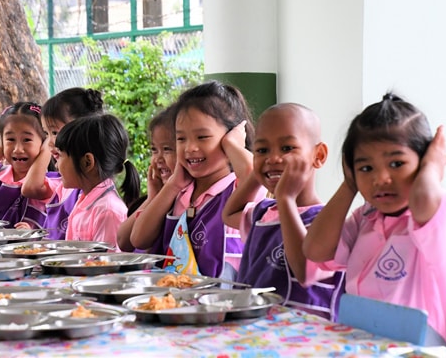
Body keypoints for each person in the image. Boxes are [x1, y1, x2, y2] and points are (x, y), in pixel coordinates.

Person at [303, 93, 446, 345]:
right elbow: (315, 250)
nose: (380, 178)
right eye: (366, 168)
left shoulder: (442, 212)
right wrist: (349, 185)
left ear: (423, 163)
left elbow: (423, 200)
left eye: (397, 163)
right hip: (360, 343)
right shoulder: (366, 217)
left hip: (417, 349)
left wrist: (433, 166)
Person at [222, 103, 345, 321]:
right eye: (262, 150)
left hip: (304, 336)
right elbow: (230, 213)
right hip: (255, 329)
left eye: (287, 148)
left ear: (319, 155)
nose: (274, 158)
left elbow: (306, 271)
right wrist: (258, 171)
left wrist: (286, 198)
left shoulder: (325, 222)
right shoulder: (263, 214)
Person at [130, 80, 261, 280]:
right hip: (175, 300)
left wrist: (233, 145)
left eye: (202, 137)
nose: (190, 147)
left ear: (230, 138)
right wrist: (173, 186)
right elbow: (138, 238)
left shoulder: (237, 187)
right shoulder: (180, 191)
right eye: (181, 139)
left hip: (222, 303)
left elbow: (256, 174)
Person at [16, 87, 104, 239]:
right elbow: (30, 188)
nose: (49, 142)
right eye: (46, 133)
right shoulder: (66, 184)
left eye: (55, 132)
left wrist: (48, 147)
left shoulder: (98, 196)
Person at [55, 114, 140, 248]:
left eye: (59, 156)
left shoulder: (107, 211)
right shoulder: (86, 200)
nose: (56, 165)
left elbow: (107, 266)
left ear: (87, 162)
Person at [118, 105, 177, 252]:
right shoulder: (160, 195)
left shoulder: (184, 197)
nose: (158, 158)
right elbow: (123, 240)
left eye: (167, 149)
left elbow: (137, 240)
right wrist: (152, 198)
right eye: (154, 150)